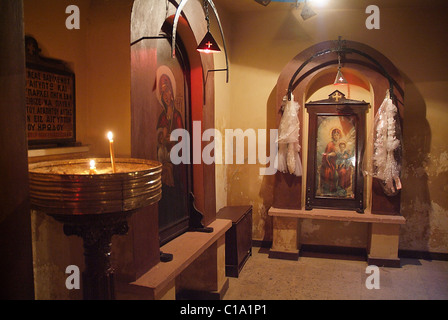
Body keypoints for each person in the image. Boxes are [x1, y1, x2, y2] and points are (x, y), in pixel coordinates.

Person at [320, 128, 342, 195]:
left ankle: (341, 188)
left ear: (339, 136)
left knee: (343, 171)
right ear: (332, 136)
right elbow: (325, 155)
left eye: (337, 135)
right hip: (330, 163)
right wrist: (330, 155)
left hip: (340, 162)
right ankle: (330, 189)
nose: (336, 136)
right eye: (334, 135)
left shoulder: (342, 143)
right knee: (329, 171)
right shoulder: (330, 144)